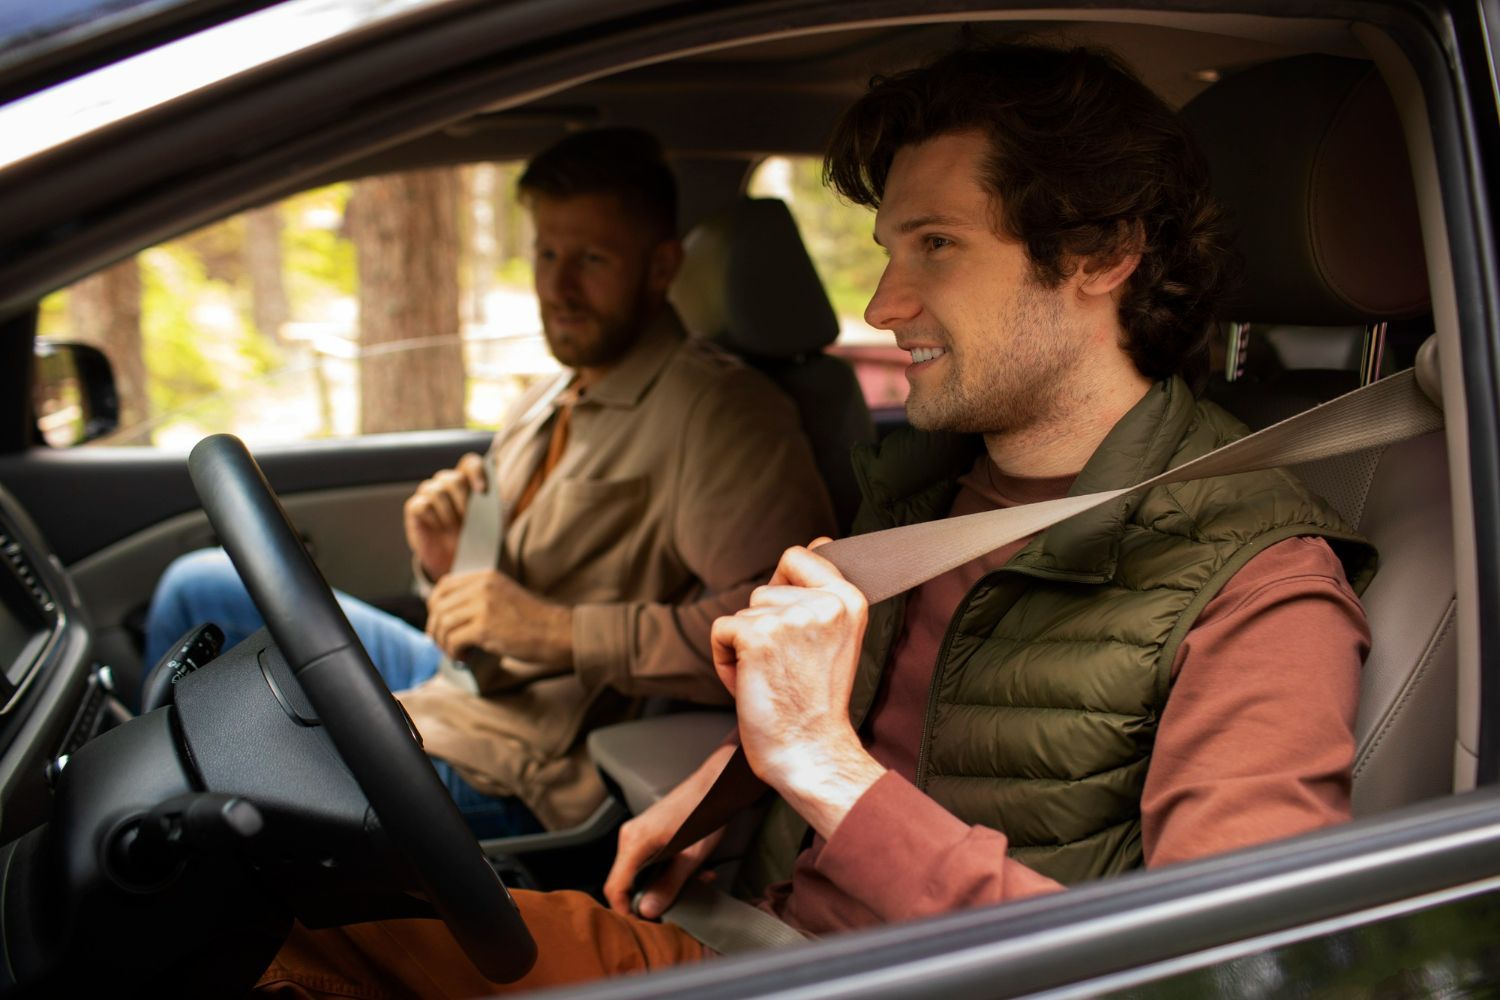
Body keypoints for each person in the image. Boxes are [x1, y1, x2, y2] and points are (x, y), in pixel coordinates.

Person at [255, 42, 1374, 996]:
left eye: (936, 244)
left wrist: (826, 773)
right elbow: (861, 702)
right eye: (891, 251)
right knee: (268, 921)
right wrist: (727, 780)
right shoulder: (924, 485)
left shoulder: (1260, 577)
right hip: (748, 933)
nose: (884, 306)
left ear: (1099, 253)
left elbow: (1239, 973)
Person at [145, 127, 836, 838]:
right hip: (459, 684)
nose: (558, 288)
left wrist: (560, 633)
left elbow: (772, 635)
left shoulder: (721, 414)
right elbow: (494, 608)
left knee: (217, 785)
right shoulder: (547, 395)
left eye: (592, 259)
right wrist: (446, 565)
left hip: (523, 753)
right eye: (545, 254)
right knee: (197, 588)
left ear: (661, 267)